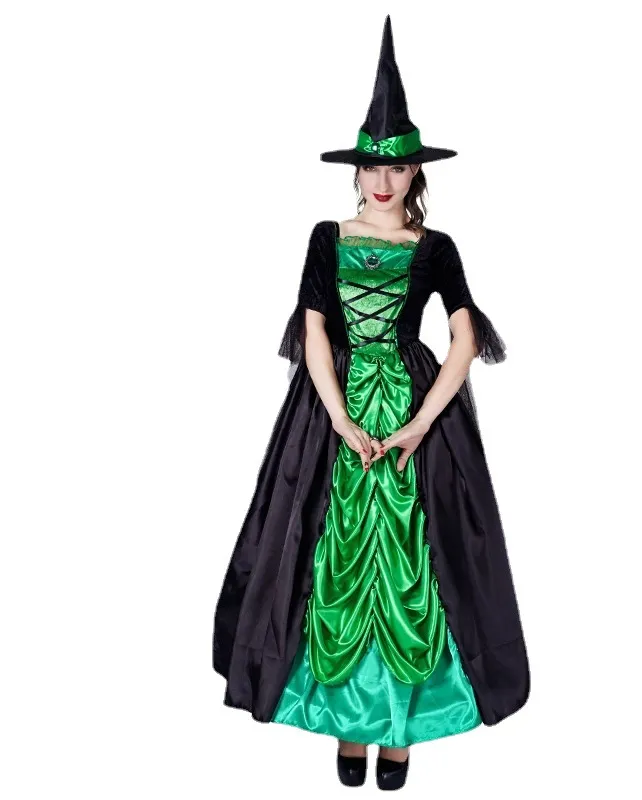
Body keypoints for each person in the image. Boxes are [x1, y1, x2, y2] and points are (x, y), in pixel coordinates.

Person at [213, 14, 529, 791]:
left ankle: (400, 733)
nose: (383, 180)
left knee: (417, 553)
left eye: (397, 168)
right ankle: (351, 724)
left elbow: (464, 337)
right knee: (328, 546)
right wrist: (340, 417)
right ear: (355, 174)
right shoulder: (326, 236)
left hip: (415, 408)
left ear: (416, 174)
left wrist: (420, 425)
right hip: (333, 410)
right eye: (371, 168)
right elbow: (315, 332)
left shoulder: (437, 248)